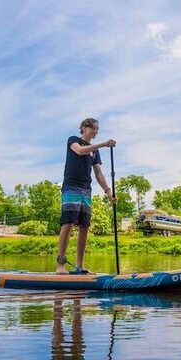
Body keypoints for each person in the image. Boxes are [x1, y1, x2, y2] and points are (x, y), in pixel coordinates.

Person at [56, 117, 116, 275]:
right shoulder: (74, 140)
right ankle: (60, 265)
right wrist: (103, 144)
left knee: (84, 227)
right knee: (68, 223)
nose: (96, 131)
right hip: (71, 186)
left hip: (86, 189)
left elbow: (98, 174)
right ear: (84, 127)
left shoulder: (95, 151)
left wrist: (109, 192)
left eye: (97, 129)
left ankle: (79, 266)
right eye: (94, 128)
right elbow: (80, 151)